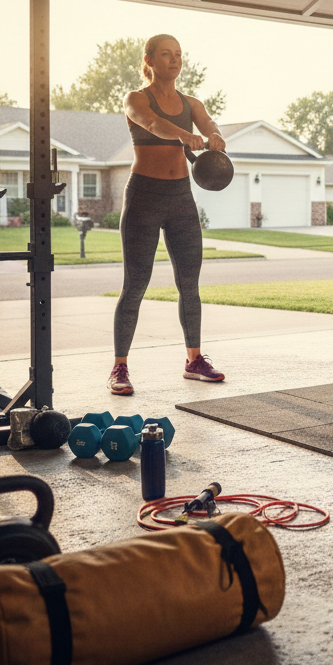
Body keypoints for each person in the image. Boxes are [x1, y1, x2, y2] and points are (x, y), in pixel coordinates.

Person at [108, 34, 227, 395]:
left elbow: (209, 124)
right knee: (135, 285)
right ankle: (119, 368)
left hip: (181, 200)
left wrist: (215, 136)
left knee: (189, 284)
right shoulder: (135, 99)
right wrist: (183, 136)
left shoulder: (192, 103)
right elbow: (154, 124)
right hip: (144, 195)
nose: (174, 60)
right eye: (166, 54)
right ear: (150, 59)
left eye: (178, 54)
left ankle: (194, 360)